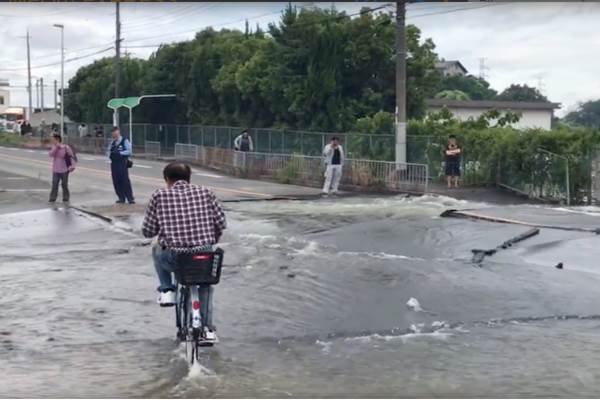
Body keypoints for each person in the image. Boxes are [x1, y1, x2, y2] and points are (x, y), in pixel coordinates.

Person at [142, 162, 227, 342]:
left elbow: (148, 230)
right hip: (204, 256)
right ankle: (207, 330)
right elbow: (221, 224)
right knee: (204, 286)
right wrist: (212, 239)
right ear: (189, 179)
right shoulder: (206, 193)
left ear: (167, 180)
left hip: (176, 257)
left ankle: (167, 290)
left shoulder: (159, 195)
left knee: (156, 246)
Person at [106, 126, 135, 204]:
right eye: (112, 133)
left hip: (122, 163)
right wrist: (109, 157)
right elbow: (108, 151)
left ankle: (130, 198)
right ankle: (121, 197)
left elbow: (129, 151)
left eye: (115, 132)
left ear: (118, 131)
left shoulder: (124, 140)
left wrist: (120, 153)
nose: (114, 134)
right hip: (114, 164)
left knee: (125, 180)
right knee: (116, 181)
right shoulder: (112, 142)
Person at [48, 133, 75, 203]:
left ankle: (66, 197)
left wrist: (72, 166)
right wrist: (56, 147)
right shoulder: (54, 147)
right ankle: (52, 197)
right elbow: (51, 154)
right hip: (56, 169)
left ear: (57, 139)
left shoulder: (66, 147)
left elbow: (71, 156)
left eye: (53, 139)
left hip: (64, 169)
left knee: (64, 184)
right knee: (55, 184)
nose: (52, 141)